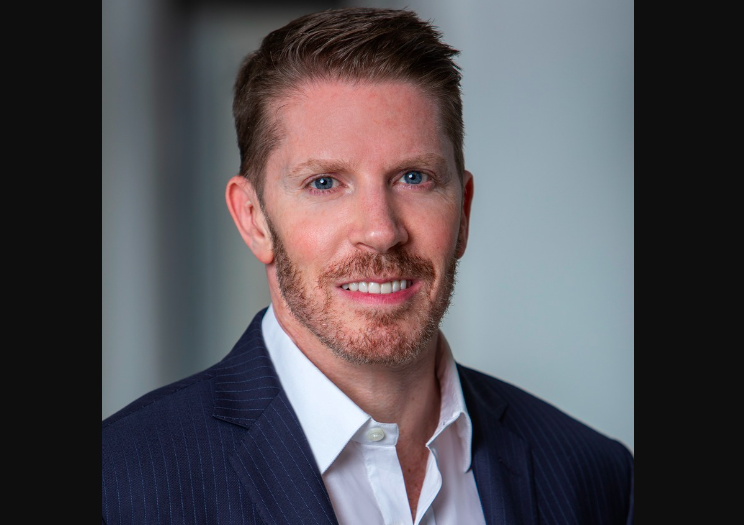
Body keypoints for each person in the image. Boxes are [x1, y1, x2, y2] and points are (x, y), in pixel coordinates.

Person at [102, 7, 634, 525]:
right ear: (254, 220)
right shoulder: (119, 484)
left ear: (464, 211)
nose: (381, 231)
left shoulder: (595, 477)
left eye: (414, 178)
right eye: (324, 183)